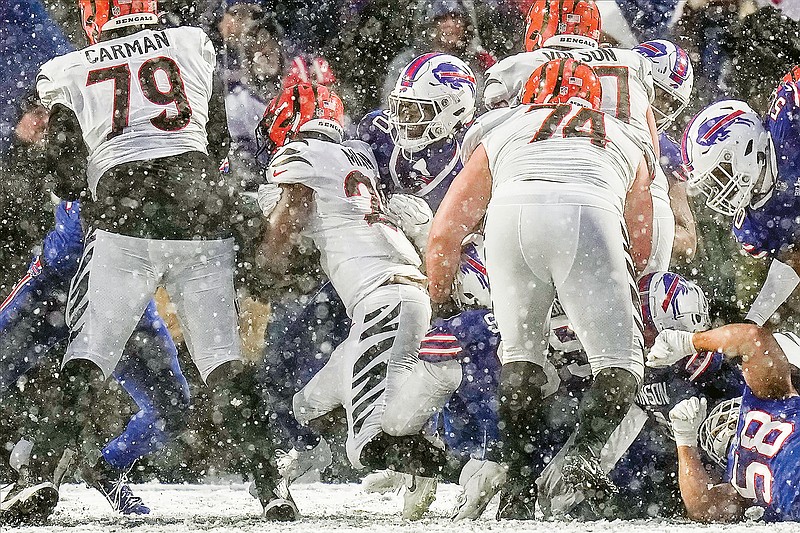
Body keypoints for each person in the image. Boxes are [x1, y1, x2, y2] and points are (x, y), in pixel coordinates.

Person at [34, 0, 295, 521]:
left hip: (123, 225)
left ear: (95, 15)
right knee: (222, 362)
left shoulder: (68, 70)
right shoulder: (193, 44)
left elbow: (64, 176)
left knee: (89, 358)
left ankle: (41, 477)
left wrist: (111, 166)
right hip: (199, 218)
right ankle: (270, 486)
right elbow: (216, 140)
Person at [427, 57, 655, 520]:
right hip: (589, 214)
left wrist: (438, 297)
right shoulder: (625, 135)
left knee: (521, 360)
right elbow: (643, 241)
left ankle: (518, 482)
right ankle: (578, 460)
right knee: (622, 363)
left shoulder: (504, 130)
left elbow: (444, 233)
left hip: (511, 217)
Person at [257, 82, 448, 508]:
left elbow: (293, 213)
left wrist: (263, 262)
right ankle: (413, 449)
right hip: (390, 299)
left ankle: (482, 463)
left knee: (366, 445)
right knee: (309, 404)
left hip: (386, 302)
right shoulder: (356, 157)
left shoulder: (301, 156)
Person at [0, 199, 191, 523]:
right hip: (51, 292)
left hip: (122, 296)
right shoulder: (88, 166)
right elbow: (66, 248)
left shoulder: (173, 172)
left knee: (172, 405)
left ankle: (105, 468)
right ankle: (30, 467)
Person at [482, 0, 658, 271]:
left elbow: (495, 138)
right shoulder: (634, 62)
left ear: (539, 27)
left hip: (543, 189)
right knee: (636, 292)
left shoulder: (517, 67)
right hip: (635, 188)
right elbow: (651, 147)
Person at [681, 68, 800, 328]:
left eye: (720, 177)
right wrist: (754, 322)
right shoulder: (753, 224)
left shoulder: (790, 119)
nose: (718, 191)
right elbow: (795, 257)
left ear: (741, 147)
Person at [648, 323, 800, 521]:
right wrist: (690, 342)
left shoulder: (739, 473)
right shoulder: (771, 402)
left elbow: (703, 508)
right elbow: (751, 338)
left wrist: (685, 442)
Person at [632, 39, 697, 269]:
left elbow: (688, 240)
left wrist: (640, 235)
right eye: (657, 95)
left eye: (670, 102)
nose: (660, 110)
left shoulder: (667, 152)